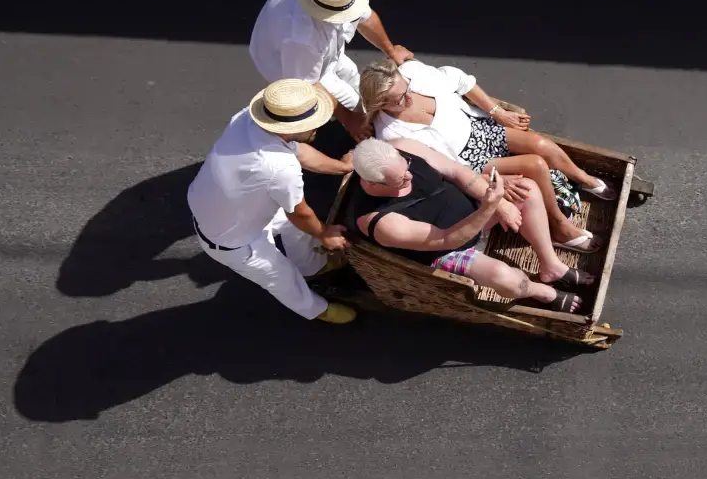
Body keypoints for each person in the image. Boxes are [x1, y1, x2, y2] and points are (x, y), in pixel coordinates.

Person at [358, 58, 613, 253]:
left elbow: (460, 80)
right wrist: (484, 178)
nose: (408, 99)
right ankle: (560, 226)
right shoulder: (392, 135)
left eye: (406, 90)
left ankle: (585, 178)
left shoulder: (414, 73)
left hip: (478, 126)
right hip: (468, 160)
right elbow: (443, 169)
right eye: (398, 100)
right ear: (379, 104)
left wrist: (496, 111)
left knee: (540, 144)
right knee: (535, 164)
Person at [348, 136, 594, 313]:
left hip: (470, 211)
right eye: (400, 180)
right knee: (504, 277)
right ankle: (541, 292)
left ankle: (551, 266)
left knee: (526, 190)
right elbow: (447, 239)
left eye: (407, 167)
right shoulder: (381, 222)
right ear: (373, 184)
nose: (410, 177)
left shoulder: (402, 147)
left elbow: (456, 171)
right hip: (447, 248)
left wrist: (499, 205)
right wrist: (489, 206)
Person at [186, 78, 359, 324]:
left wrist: (341, 167)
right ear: (289, 129)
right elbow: (299, 213)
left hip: (225, 206)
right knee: (281, 278)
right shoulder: (278, 167)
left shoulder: (248, 119)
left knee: (297, 229)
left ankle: (311, 266)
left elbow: (298, 150)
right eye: (313, 125)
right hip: (233, 240)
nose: (317, 130)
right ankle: (318, 310)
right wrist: (325, 233)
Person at [249, 0, 414, 141]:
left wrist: (391, 51)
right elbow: (309, 84)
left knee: (353, 77)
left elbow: (366, 18)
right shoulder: (301, 38)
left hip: (324, 53)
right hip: (291, 67)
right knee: (354, 106)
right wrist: (349, 118)